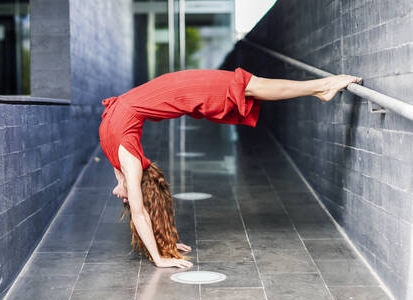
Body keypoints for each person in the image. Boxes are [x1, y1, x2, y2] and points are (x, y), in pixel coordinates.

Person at [98, 67, 362, 269]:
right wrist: (160, 254)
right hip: (181, 89)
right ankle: (321, 87)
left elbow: (139, 209)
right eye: (128, 198)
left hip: (181, 88)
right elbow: (140, 210)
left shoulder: (121, 165)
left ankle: (321, 88)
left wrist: (159, 248)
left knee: (248, 86)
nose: (121, 198)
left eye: (124, 198)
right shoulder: (128, 162)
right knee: (248, 86)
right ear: (141, 188)